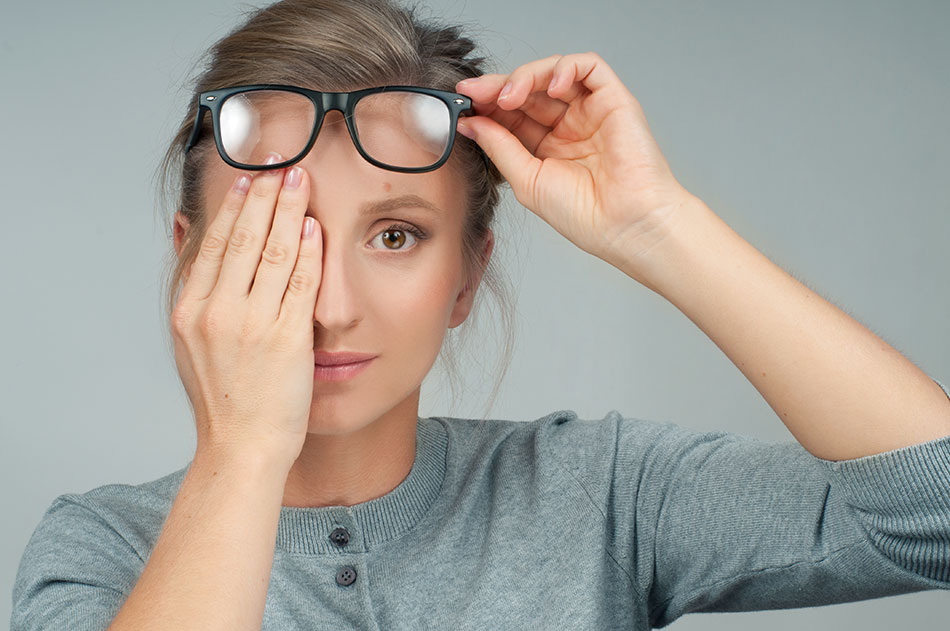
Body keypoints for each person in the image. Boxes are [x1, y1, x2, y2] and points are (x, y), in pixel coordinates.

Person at [11, 0, 950, 629]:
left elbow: (937, 512)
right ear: (191, 265)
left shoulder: (596, 493)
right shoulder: (100, 549)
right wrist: (244, 450)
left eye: (395, 237)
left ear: (466, 279)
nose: (330, 307)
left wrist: (662, 227)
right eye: (277, 240)